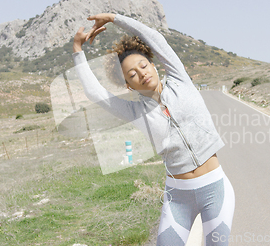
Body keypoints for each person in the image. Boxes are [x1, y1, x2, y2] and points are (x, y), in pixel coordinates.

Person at [72, 13, 235, 245]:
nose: (141, 73)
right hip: (177, 197)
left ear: (153, 64)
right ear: (128, 85)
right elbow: (95, 93)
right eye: (132, 74)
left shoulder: (180, 80)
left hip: (215, 189)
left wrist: (113, 18)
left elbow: (154, 38)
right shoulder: (135, 112)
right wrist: (77, 49)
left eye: (143, 65)